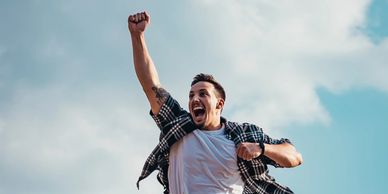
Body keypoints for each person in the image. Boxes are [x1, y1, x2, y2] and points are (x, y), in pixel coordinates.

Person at [128, 11, 303, 194]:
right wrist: (137, 36)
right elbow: (151, 86)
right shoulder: (178, 124)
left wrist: (261, 148)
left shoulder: (242, 135)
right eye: (191, 95)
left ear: (219, 104)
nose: (195, 99)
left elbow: (294, 156)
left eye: (203, 94)